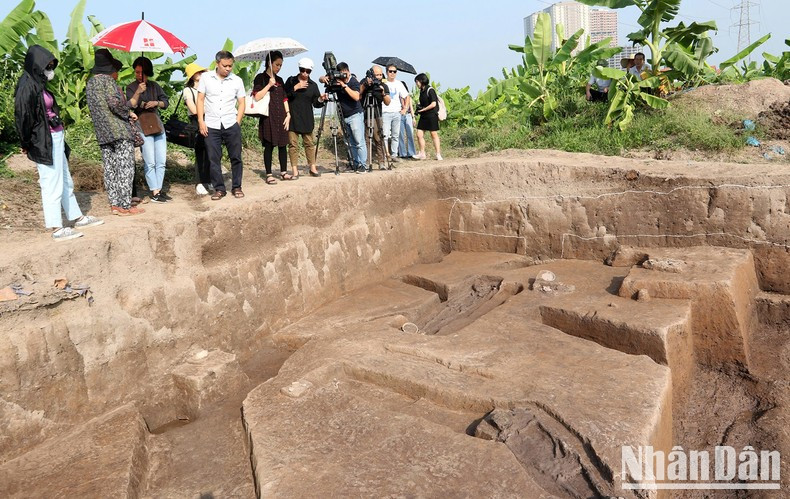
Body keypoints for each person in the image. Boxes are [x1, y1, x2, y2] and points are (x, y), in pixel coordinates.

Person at [14, 45, 104, 241]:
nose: (50, 70)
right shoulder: (26, 85)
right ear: (36, 65)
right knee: (50, 182)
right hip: (42, 140)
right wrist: (26, 141)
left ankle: (76, 216)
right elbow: (22, 117)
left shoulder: (39, 84)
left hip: (55, 137)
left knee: (64, 180)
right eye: (47, 66)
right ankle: (56, 227)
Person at [86, 48, 145, 216]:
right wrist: (128, 110)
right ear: (111, 70)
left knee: (110, 169)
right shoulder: (108, 82)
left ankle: (115, 205)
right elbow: (115, 104)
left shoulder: (90, 84)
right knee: (125, 168)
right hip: (119, 131)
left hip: (103, 133)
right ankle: (125, 205)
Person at [197, 50, 246, 200]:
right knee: (213, 159)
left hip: (231, 123)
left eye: (230, 66)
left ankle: (237, 187)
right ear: (217, 63)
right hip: (211, 124)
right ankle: (219, 188)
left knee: (236, 157)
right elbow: (200, 100)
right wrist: (201, 121)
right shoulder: (206, 78)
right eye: (225, 66)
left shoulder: (237, 80)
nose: (228, 69)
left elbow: (242, 102)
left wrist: (237, 122)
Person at [126, 56, 170, 203]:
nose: (138, 75)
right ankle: (154, 191)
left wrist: (156, 102)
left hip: (157, 125)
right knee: (150, 161)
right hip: (141, 126)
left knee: (161, 161)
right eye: (136, 72)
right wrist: (138, 92)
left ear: (148, 72)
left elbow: (166, 102)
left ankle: (159, 189)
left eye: (141, 72)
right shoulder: (131, 87)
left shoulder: (155, 86)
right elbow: (130, 105)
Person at [252, 51, 292, 184]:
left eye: (281, 65)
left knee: (283, 144)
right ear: (269, 63)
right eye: (277, 64)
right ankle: (269, 174)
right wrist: (269, 85)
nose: (279, 67)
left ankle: (284, 172)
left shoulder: (279, 80)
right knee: (269, 145)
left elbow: (284, 98)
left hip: (281, 116)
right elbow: (257, 96)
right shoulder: (260, 78)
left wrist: (288, 114)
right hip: (268, 116)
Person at [319, 62, 366, 173]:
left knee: (359, 141)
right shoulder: (337, 81)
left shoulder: (353, 81)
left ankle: (363, 165)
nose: (343, 77)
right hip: (344, 116)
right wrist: (324, 78)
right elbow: (321, 79)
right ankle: (354, 164)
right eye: (340, 74)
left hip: (355, 115)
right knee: (350, 142)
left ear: (348, 72)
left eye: (345, 74)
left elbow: (356, 97)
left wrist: (344, 86)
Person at [284, 57, 325, 177]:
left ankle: (312, 167)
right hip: (293, 118)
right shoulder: (291, 81)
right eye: (302, 70)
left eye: (308, 71)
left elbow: (316, 103)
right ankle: (294, 170)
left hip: (307, 118)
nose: (305, 73)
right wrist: (296, 88)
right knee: (293, 145)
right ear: (299, 69)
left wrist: (321, 99)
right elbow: (284, 96)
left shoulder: (313, 85)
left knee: (309, 144)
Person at [182, 62, 211, 195]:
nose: (201, 74)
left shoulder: (207, 89)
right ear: (192, 76)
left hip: (210, 122)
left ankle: (208, 180)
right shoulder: (188, 91)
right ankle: (199, 182)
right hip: (196, 123)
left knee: (211, 153)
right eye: (198, 72)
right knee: (200, 153)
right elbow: (193, 110)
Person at [359, 65, 391, 170]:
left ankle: (382, 162)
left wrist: (383, 93)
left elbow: (387, 102)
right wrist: (365, 85)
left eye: (380, 74)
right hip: (366, 114)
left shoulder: (382, 85)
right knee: (367, 138)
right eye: (377, 74)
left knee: (379, 137)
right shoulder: (365, 82)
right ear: (372, 74)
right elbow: (358, 95)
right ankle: (367, 162)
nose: (379, 77)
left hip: (377, 114)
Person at [381, 64, 410, 166]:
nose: (392, 73)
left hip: (396, 112)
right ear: (386, 72)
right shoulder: (383, 83)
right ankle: (385, 155)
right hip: (385, 112)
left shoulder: (399, 84)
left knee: (395, 135)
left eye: (394, 71)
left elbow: (406, 96)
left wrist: (405, 109)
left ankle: (394, 154)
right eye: (390, 71)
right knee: (385, 135)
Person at [413, 73, 442, 161]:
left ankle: (438, 154)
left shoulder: (430, 90)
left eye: (417, 82)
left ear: (421, 81)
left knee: (433, 134)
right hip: (424, 115)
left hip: (431, 115)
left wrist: (424, 109)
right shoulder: (421, 91)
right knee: (419, 134)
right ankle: (422, 153)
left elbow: (433, 103)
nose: (416, 84)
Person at [398, 80, 417, 159]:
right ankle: (402, 153)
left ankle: (411, 152)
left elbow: (411, 108)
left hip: (408, 115)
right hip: (400, 115)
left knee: (410, 134)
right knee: (400, 135)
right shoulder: (397, 97)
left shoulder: (408, 97)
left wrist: (413, 118)